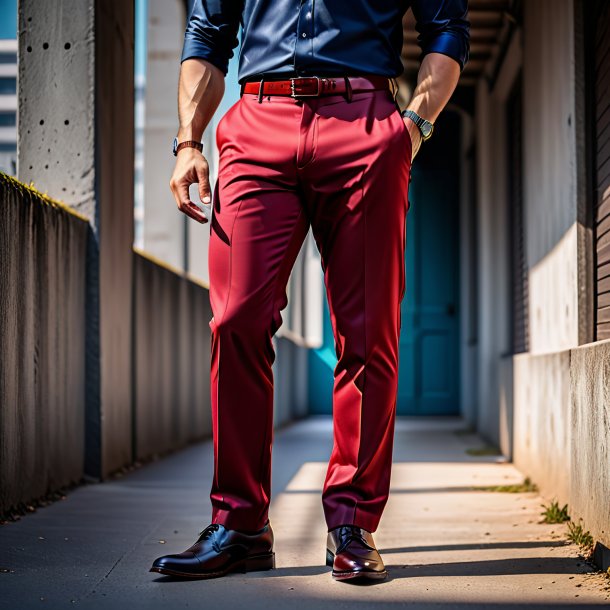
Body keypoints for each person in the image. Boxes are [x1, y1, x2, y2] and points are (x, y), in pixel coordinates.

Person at [150, 0, 469, 582]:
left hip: (365, 123)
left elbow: (447, 28)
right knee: (236, 318)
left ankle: (352, 522)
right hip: (255, 122)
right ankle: (240, 524)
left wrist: (414, 127)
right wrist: (188, 141)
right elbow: (208, 31)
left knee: (368, 332)